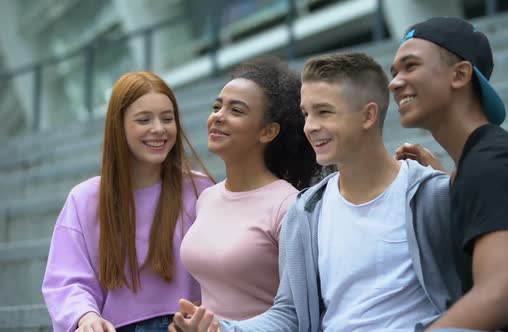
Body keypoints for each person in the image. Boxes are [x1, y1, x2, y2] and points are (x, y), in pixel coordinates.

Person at [170, 52, 461, 332]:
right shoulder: (306, 210)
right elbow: (290, 314)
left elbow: (475, 291)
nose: (310, 126)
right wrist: (222, 329)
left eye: (324, 112)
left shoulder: (431, 194)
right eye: (306, 114)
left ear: (368, 115)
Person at [389, 17, 508, 331]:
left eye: (410, 66)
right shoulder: (479, 161)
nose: (395, 82)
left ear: (460, 75)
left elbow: (495, 299)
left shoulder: (492, 162)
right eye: (394, 72)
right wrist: (447, 175)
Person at [42, 71, 215, 332]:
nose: (159, 129)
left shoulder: (201, 189)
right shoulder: (84, 198)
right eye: (144, 119)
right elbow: (67, 280)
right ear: (118, 125)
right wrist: (86, 317)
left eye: (167, 119)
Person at [177, 56, 322, 322]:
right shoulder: (207, 198)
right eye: (217, 107)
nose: (218, 117)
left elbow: (299, 310)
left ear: (267, 132)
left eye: (236, 110)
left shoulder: (288, 205)